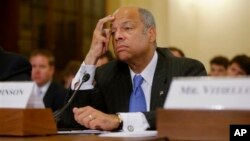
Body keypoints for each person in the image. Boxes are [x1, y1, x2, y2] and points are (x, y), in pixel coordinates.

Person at [60, 6, 206, 131]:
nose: (117, 36)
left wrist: (119, 120)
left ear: (151, 34)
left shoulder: (185, 70)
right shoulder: (106, 74)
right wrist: (91, 56)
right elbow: (71, 121)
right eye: (113, 32)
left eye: (127, 28)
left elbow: (187, 115)